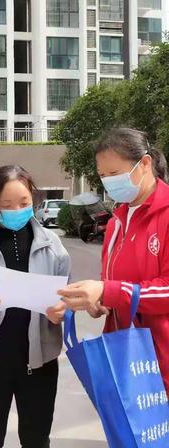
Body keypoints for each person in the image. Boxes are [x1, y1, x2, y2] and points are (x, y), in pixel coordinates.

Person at [0, 165, 71, 448]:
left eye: (24, 203)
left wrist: (62, 311)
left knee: (36, 437)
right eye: (6, 204)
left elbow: (66, 295)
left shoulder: (52, 244)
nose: (16, 210)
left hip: (39, 357)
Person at [59, 127, 169, 391]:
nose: (108, 182)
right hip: (126, 356)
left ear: (144, 163)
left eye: (115, 174)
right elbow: (112, 282)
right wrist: (100, 300)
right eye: (102, 175)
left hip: (161, 359)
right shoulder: (117, 220)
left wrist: (109, 291)